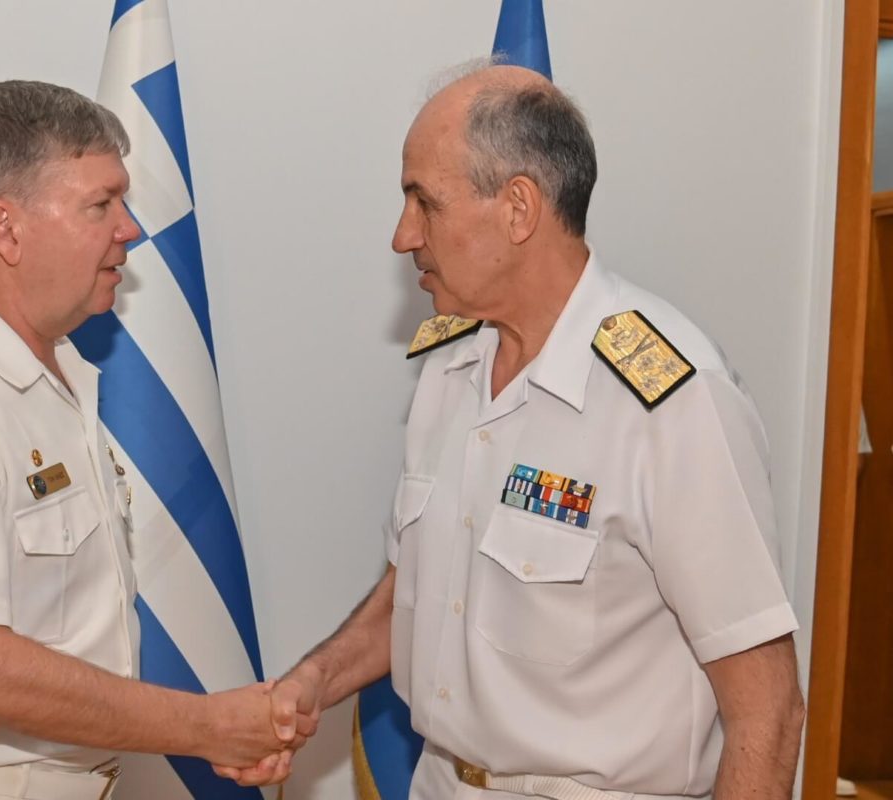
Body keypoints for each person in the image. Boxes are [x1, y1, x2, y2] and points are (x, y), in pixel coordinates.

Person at [219, 60, 805, 798]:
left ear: (519, 209)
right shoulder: (451, 364)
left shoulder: (670, 401)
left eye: (424, 202)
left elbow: (768, 712)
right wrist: (315, 679)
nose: (402, 236)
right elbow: (417, 588)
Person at [0, 81, 305, 800]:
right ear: (6, 229)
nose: (130, 229)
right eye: (100, 204)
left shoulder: (60, 380)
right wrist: (206, 727)